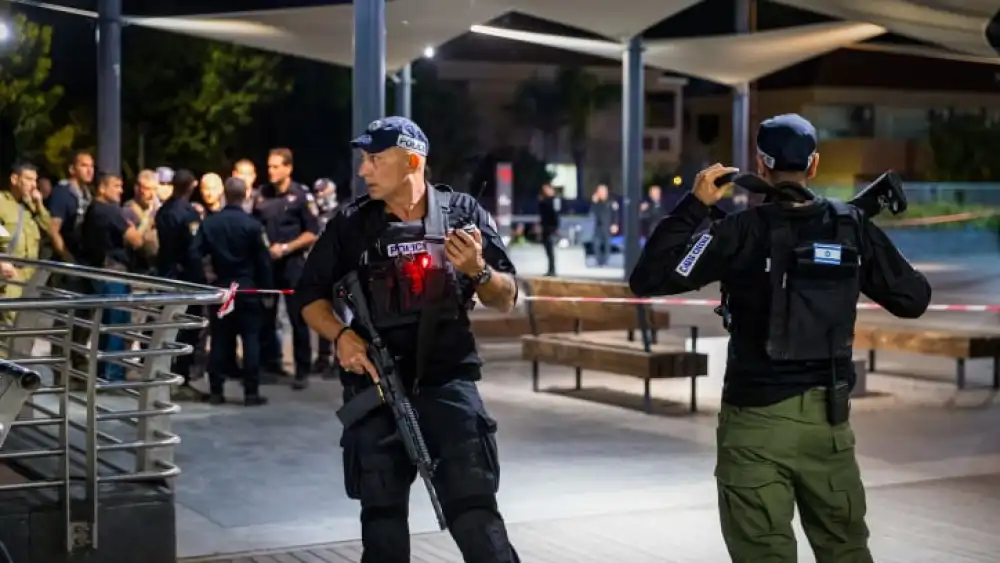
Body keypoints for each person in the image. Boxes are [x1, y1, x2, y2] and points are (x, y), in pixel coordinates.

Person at [629, 114, 932, 563]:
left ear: (760, 164)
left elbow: (649, 276)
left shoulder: (737, 231)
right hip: (827, 428)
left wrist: (694, 206)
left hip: (754, 425)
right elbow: (914, 297)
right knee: (846, 552)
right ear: (813, 166)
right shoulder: (852, 226)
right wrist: (861, 246)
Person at [298, 116, 521, 563]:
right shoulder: (351, 224)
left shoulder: (462, 213)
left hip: (447, 384)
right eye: (364, 159)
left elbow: (507, 297)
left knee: (475, 514)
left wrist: (477, 270)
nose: (364, 170)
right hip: (376, 387)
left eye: (375, 159)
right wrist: (340, 336)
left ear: (412, 161)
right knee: (381, 523)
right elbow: (309, 296)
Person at [196, 178, 272, 406]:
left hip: (221, 288)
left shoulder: (210, 224)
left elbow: (194, 252)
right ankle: (250, 392)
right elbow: (264, 262)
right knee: (250, 340)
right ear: (246, 194)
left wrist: (203, 277)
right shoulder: (252, 225)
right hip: (247, 288)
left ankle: (216, 390)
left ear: (224, 195)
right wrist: (267, 291)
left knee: (219, 339)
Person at [254, 148, 319, 389]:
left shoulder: (300, 196)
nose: (270, 171)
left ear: (288, 168)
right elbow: (255, 226)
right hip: (268, 265)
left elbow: (312, 232)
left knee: (297, 317)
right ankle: (271, 363)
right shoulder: (262, 195)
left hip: (293, 265)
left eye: (275, 166)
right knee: (266, 317)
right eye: (269, 166)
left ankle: (302, 369)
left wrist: (287, 247)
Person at [79, 173, 144, 382]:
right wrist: (146, 218)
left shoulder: (93, 209)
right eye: (115, 186)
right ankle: (112, 375)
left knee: (105, 325)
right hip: (113, 272)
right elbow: (136, 240)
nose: (120, 190)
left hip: (99, 272)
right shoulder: (109, 211)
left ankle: (101, 372)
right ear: (102, 188)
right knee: (116, 324)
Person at [154, 170, 208, 400]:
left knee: (168, 327)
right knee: (188, 329)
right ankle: (181, 376)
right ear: (191, 186)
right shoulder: (188, 214)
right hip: (186, 278)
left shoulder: (163, 211)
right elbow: (193, 251)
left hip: (166, 274)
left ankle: (164, 374)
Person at [0, 163, 51, 324]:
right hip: (10, 275)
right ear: (15, 179)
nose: (33, 185)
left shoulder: (31, 207)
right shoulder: (2, 203)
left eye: (35, 180)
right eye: (28, 179)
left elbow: (48, 228)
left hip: (31, 276)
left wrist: (39, 204)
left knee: (26, 328)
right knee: (8, 326)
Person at [310, 177, 339, 375]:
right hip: (318, 269)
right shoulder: (313, 215)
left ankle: (339, 358)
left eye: (323, 192)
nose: (320, 196)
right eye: (317, 192)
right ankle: (322, 356)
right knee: (322, 312)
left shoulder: (341, 212)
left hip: (338, 269)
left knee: (341, 315)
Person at [537, 183, 560, 276]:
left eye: (547, 189)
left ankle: (552, 269)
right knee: (547, 250)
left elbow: (556, 214)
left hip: (551, 228)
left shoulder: (554, 200)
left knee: (550, 250)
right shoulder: (543, 200)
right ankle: (550, 269)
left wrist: (556, 227)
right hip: (545, 227)